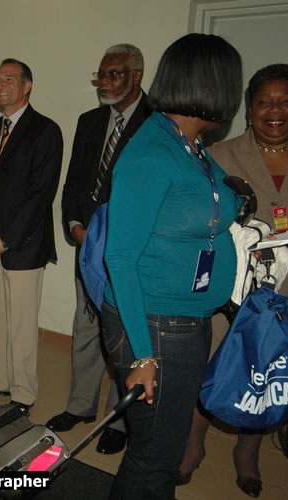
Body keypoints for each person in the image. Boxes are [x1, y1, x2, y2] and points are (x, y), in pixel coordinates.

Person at [101, 33, 243, 498]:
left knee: (159, 450)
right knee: (155, 457)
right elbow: (119, 257)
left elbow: (225, 193)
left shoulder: (188, 144)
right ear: (213, 85)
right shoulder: (153, 151)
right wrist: (143, 356)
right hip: (157, 327)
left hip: (182, 320)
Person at [178, 63, 288, 498]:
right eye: (263, 102)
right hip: (228, 296)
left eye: (286, 101)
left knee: (266, 379)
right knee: (210, 371)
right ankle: (192, 446)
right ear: (248, 109)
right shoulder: (220, 155)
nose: (275, 110)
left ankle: (246, 453)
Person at [49, 43, 151, 455]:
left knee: (123, 333)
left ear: (137, 76)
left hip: (130, 250)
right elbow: (74, 181)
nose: (106, 83)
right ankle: (80, 405)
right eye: (102, 75)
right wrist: (75, 224)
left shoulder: (156, 121)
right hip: (87, 244)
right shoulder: (89, 121)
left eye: (115, 75)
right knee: (87, 323)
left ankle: (119, 419)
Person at [0, 58, 63, 412]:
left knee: (21, 323)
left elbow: (41, 195)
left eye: (9, 78)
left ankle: (22, 391)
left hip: (22, 243)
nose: (0, 84)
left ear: (27, 86)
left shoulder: (46, 130)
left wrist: (4, 239)